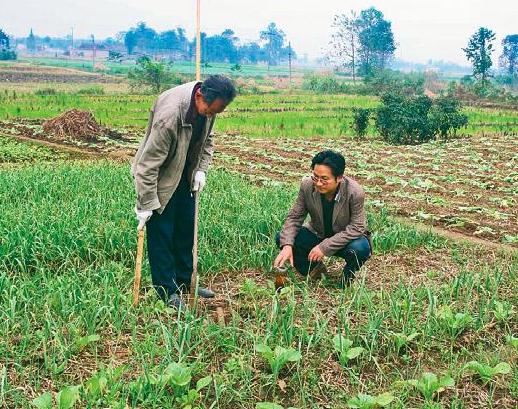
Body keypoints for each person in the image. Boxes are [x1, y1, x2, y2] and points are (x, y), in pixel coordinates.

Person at [132, 75, 236, 308]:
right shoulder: (169, 116)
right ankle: (166, 291)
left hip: (186, 175)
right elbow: (147, 165)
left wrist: (201, 170)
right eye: (210, 110)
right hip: (161, 178)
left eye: (217, 112)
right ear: (199, 96)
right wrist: (146, 203)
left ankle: (185, 282)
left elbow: (207, 141)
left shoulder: (210, 107)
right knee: (162, 234)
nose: (212, 115)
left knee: (185, 230)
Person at [273, 150, 371, 287]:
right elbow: (295, 217)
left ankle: (347, 278)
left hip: (344, 240)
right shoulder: (307, 185)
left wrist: (324, 247)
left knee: (361, 249)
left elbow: (357, 227)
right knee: (282, 238)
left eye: (324, 179)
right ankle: (314, 270)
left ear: (339, 178)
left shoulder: (354, 192)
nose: (318, 183)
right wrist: (287, 246)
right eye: (315, 177)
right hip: (318, 233)